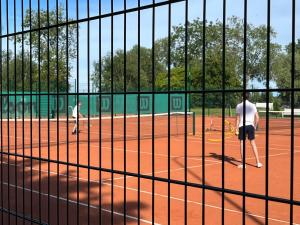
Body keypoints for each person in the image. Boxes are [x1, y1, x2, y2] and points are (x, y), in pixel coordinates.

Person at [235, 92, 263, 169]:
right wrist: (254, 126)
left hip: (242, 126)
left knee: (242, 143)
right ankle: (258, 162)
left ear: (242, 97)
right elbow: (257, 117)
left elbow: (237, 119)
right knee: (253, 143)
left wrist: (236, 129)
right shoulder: (253, 105)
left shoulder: (239, 106)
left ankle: (243, 164)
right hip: (250, 126)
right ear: (248, 97)